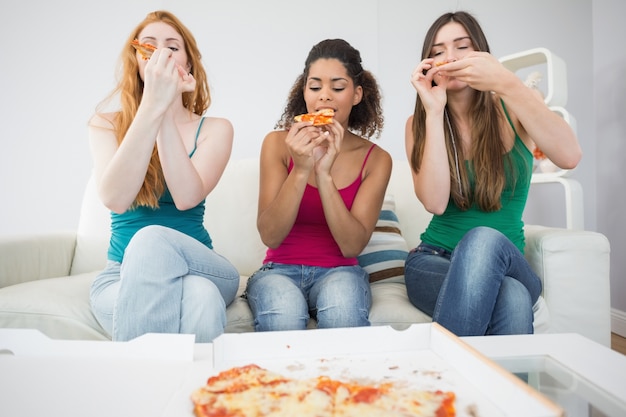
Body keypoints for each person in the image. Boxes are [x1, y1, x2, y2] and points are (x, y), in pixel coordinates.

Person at [404, 11, 582, 336]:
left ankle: (444, 377)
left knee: (484, 239)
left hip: (506, 261)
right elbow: (435, 202)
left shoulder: (515, 104)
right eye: (438, 51)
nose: (450, 58)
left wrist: (506, 81)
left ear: (483, 54)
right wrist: (432, 110)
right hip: (434, 260)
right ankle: (506, 389)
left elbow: (569, 156)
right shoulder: (418, 124)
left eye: (462, 46)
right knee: (513, 298)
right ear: (428, 64)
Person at [88, 10, 239, 342]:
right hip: (122, 275)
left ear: (188, 62)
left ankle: (139, 384)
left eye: (172, 46)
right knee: (200, 297)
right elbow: (115, 197)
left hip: (201, 265)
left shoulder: (215, 129)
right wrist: (152, 107)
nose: (160, 54)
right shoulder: (106, 123)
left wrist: (166, 107)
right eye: (149, 47)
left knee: (152, 238)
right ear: (137, 61)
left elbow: (186, 197)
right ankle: (199, 391)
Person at [244, 39, 392, 331]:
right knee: (283, 317)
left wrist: (324, 175)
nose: (325, 96)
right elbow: (270, 236)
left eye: (337, 88)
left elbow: (351, 246)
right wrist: (301, 170)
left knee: (343, 316)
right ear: (304, 93)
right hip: (278, 271)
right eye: (314, 87)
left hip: (341, 271)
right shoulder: (277, 144)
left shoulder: (376, 160)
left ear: (357, 94)